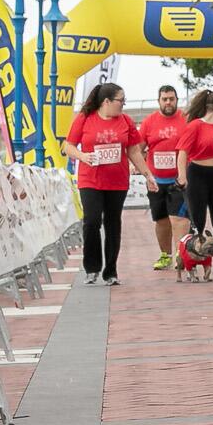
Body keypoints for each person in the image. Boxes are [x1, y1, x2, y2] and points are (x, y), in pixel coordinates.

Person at [63, 82, 151, 286]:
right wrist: (82, 156)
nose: (123, 104)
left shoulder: (126, 121)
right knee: (92, 221)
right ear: (106, 102)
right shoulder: (85, 118)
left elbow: (134, 151)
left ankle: (110, 271)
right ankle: (92, 268)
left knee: (113, 223)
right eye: (121, 100)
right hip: (90, 180)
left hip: (117, 181)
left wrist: (148, 175)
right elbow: (68, 146)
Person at [175, 90, 213, 282]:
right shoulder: (195, 126)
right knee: (198, 220)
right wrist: (182, 176)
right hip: (198, 173)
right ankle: (195, 259)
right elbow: (183, 152)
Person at [140, 84, 187, 270]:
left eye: (171, 99)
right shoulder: (149, 122)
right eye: (164, 99)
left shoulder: (186, 119)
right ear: (159, 101)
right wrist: (144, 173)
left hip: (179, 180)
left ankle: (180, 255)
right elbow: (138, 149)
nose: (168, 102)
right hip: (157, 181)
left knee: (178, 218)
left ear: (177, 100)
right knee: (161, 220)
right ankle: (165, 255)